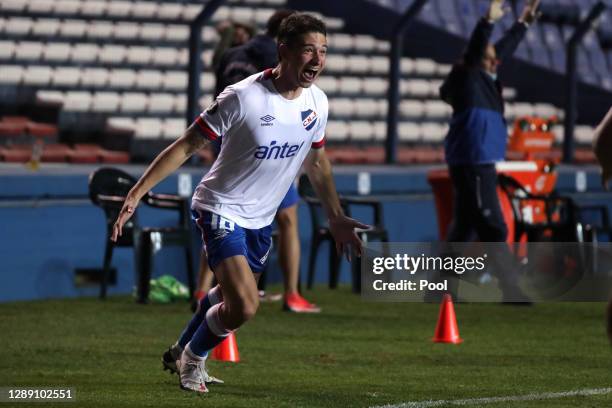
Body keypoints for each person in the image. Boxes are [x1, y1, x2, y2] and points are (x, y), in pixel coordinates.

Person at [111, 13, 368, 393]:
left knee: (230, 297)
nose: (317, 60)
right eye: (309, 50)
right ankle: (192, 361)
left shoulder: (317, 102)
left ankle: (181, 346)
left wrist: (335, 215)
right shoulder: (243, 96)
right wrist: (136, 192)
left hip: (260, 219)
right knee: (246, 305)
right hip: (220, 207)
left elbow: (317, 160)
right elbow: (186, 145)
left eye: (324, 51)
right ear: (284, 50)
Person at [197, 9, 320, 313]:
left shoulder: (232, 54)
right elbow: (283, 97)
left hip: (228, 144)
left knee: (221, 218)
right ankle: (292, 292)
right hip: (268, 150)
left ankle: (202, 291)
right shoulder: (278, 60)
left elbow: (218, 97)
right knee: (288, 219)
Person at [439, 0, 540, 301]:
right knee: (494, 226)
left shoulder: (487, 77)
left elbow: (501, 49)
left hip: (477, 159)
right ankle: (510, 289)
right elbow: (477, 50)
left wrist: (523, 24)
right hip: (474, 159)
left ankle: (439, 289)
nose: (496, 57)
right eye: (489, 53)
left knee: (465, 228)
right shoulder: (470, 75)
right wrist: (486, 21)